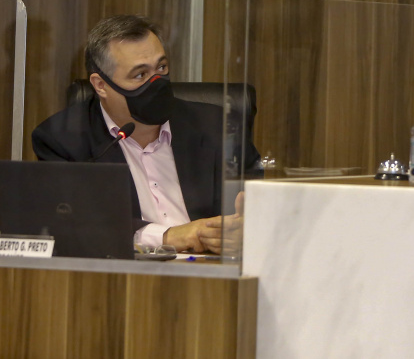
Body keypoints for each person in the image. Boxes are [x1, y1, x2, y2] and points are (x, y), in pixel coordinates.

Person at [32, 15, 259, 252]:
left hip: (210, 273)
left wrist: (247, 228)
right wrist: (169, 236)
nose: (156, 83)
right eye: (140, 75)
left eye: (161, 67)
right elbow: (70, 223)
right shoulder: (63, 139)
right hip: (123, 280)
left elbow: (260, 202)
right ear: (101, 85)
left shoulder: (218, 126)